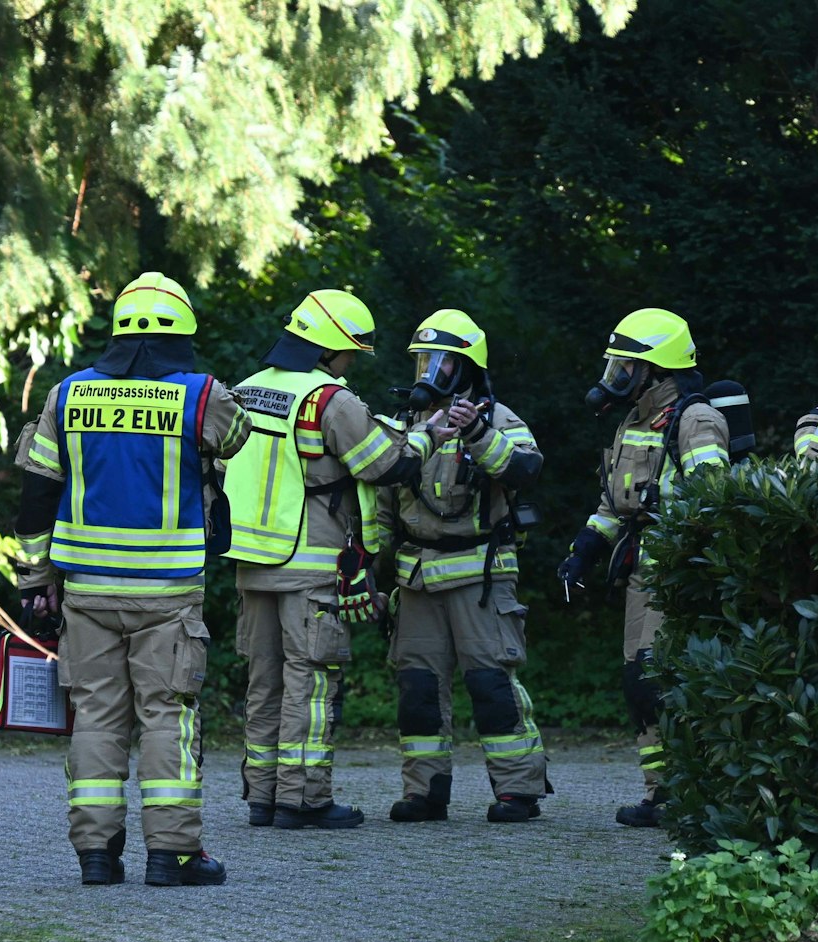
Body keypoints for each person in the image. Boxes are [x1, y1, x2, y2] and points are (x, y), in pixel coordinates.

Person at [11, 271, 252, 886]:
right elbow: (236, 437)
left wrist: (35, 576)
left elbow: (37, 491)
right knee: (167, 716)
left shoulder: (68, 395)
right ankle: (171, 857)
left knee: (96, 717)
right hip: (168, 594)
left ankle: (96, 855)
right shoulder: (200, 395)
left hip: (86, 592)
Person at [221, 289, 421, 830]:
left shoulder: (244, 390)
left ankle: (262, 797)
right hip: (309, 565)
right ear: (330, 349)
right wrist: (418, 441)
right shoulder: (329, 400)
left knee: (263, 683)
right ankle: (304, 799)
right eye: (351, 351)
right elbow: (384, 467)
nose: (352, 362)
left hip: (250, 560)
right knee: (310, 686)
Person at [555, 309, 730, 829]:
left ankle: (690, 792)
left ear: (656, 370)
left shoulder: (695, 421)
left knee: (661, 680)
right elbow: (616, 504)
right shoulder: (635, 421)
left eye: (625, 367)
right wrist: (585, 547)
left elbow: (714, 503)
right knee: (640, 682)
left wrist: (690, 565)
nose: (615, 377)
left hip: (679, 577)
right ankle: (661, 793)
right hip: (642, 575)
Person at [376, 309, 548, 823]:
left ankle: (519, 791)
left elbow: (525, 470)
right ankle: (425, 792)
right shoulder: (404, 425)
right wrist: (366, 569)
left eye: (443, 362)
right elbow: (383, 503)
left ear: (469, 368)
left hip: (479, 577)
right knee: (418, 692)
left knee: (491, 685)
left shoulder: (499, 421)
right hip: (416, 578)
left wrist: (475, 434)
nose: (430, 372)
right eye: (423, 360)